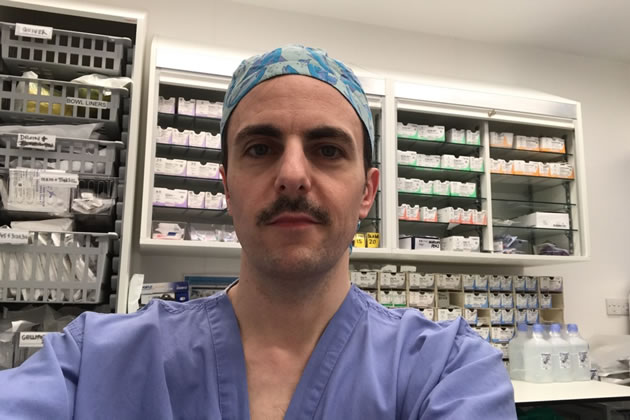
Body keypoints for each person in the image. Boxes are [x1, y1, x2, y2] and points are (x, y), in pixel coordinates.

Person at [0, 45, 516, 419]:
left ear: (367, 192)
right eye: (261, 149)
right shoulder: (92, 360)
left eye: (328, 150)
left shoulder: (447, 369)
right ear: (227, 187)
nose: (292, 174)